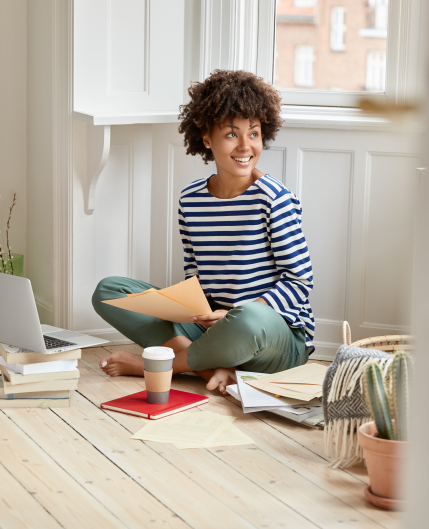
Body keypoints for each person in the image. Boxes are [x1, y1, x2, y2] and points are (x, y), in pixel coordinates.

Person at [91, 70, 315, 394]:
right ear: (207, 139)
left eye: (253, 133)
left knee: (248, 318)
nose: (245, 146)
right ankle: (214, 368)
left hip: (273, 335)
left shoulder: (275, 199)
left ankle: (157, 365)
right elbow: (197, 278)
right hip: (216, 329)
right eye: (231, 135)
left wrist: (232, 316)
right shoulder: (190, 200)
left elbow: (299, 283)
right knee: (109, 292)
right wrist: (202, 311)